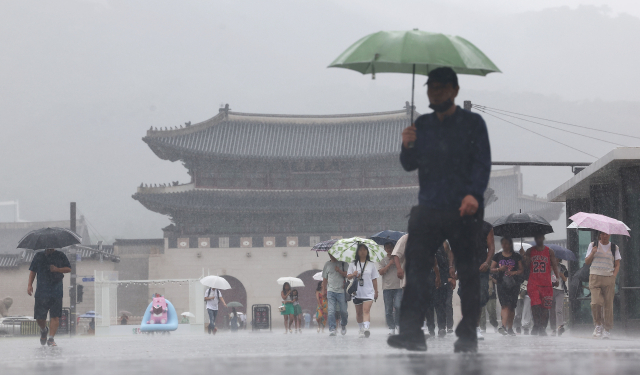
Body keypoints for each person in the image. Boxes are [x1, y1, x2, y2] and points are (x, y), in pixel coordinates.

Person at [388, 67, 492, 353]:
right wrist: (406, 145)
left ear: (455, 91)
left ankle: (468, 331)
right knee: (417, 264)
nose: (435, 93)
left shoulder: (473, 124)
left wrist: (473, 193)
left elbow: (483, 163)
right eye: (431, 88)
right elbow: (410, 164)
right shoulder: (423, 125)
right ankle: (411, 331)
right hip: (430, 206)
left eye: (442, 88)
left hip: (464, 206)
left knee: (468, 268)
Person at [521, 234, 567, 336]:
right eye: (537, 237)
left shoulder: (549, 251)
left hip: (546, 283)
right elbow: (527, 265)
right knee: (535, 304)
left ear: (543, 238)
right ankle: (536, 324)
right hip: (534, 283)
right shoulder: (530, 251)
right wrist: (524, 256)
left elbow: (554, 265)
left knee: (545, 307)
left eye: (540, 237)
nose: (538, 239)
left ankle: (542, 326)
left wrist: (557, 278)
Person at [27, 247, 71, 347]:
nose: (50, 247)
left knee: (55, 316)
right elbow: (32, 271)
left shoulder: (60, 255)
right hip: (41, 291)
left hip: (56, 291)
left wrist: (57, 269)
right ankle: (44, 330)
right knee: (39, 317)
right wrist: (30, 285)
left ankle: (51, 339)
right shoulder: (39, 256)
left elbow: (68, 268)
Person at [585, 232, 621, 339]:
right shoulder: (593, 245)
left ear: (610, 235)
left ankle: (607, 329)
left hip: (608, 277)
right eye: (603, 234)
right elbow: (587, 262)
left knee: (608, 305)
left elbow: (617, 264)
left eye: (607, 234)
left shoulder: (614, 247)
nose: (605, 236)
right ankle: (598, 325)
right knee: (596, 302)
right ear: (600, 234)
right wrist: (592, 253)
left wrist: (613, 276)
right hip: (595, 277)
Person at [491, 237, 524, 336]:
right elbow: (491, 268)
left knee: (512, 306)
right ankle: (503, 326)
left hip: (514, 284)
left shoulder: (516, 256)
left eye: (506, 243)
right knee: (504, 305)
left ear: (510, 245)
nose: (504, 246)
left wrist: (514, 272)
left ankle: (510, 327)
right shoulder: (497, 256)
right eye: (503, 243)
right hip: (502, 283)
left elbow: (521, 270)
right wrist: (499, 269)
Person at [347, 244, 380, 338]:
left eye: (365, 250)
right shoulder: (353, 264)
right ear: (357, 252)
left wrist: (376, 291)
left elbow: (374, 278)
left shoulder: (371, 264)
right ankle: (361, 329)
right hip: (356, 292)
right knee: (358, 312)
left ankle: (366, 328)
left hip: (368, 291)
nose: (363, 251)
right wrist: (353, 274)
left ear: (367, 252)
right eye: (360, 250)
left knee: (366, 310)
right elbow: (348, 276)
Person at [378, 242, 403, 335]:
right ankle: (391, 327)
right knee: (388, 309)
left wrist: (395, 261)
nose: (389, 249)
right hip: (387, 288)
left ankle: (398, 324)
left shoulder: (398, 258)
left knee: (398, 306)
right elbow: (381, 272)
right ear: (384, 249)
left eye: (391, 247)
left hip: (398, 287)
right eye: (387, 247)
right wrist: (389, 264)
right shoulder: (382, 259)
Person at [322, 253, 349, 336]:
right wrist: (324, 290)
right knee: (331, 311)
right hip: (331, 291)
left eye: (333, 253)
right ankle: (332, 328)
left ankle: (343, 324)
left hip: (341, 291)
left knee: (343, 311)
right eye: (330, 254)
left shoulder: (344, 263)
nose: (331, 255)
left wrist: (339, 271)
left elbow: (348, 275)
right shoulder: (327, 264)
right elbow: (325, 279)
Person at [425, 243, 448, 338]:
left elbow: (444, 262)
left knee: (440, 304)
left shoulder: (440, 246)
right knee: (428, 306)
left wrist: (444, 277)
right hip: (426, 279)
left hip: (440, 278)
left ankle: (442, 327)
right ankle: (430, 328)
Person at [549, 261, 568, 336]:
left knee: (559, 309)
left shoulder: (562, 267)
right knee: (552, 310)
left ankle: (560, 326)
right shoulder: (549, 266)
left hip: (560, 290)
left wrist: (561, 275)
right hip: (551, 289)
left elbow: (565, 279)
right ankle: (553, 329)